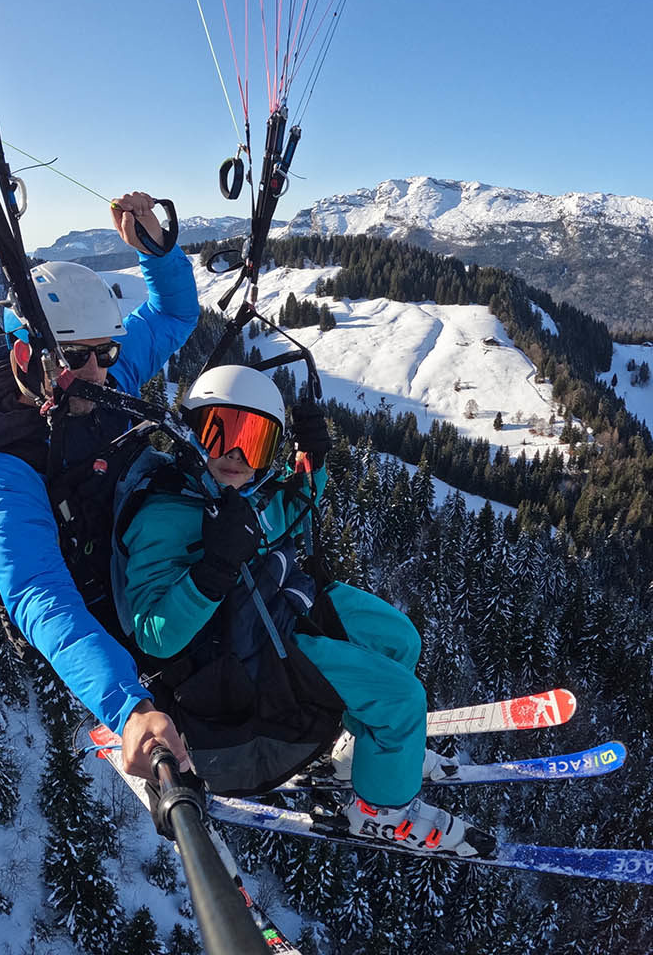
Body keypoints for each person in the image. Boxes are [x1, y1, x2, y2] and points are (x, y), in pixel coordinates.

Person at [112, 364, 495, 856]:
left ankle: (364, 750)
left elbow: (286, 511)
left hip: (273, 612)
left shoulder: (237, 494)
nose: (234, 455)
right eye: (218, 433)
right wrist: (212, 571)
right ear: (189, 434)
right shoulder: (167, 514)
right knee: (402, 699)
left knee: (399, 638)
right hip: (247, 657)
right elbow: (152, 635)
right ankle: (380, 811)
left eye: (254, 442)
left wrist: (312, 462)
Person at [0, 192, 198, 782]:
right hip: (101, 605)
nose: (102, 370)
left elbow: (173, 316)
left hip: (139, 544)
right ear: (28, 354)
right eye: (82, 357)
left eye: (108, 351)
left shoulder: (99, 374)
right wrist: (128, 707)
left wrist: (157, 254)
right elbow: (36, 591)